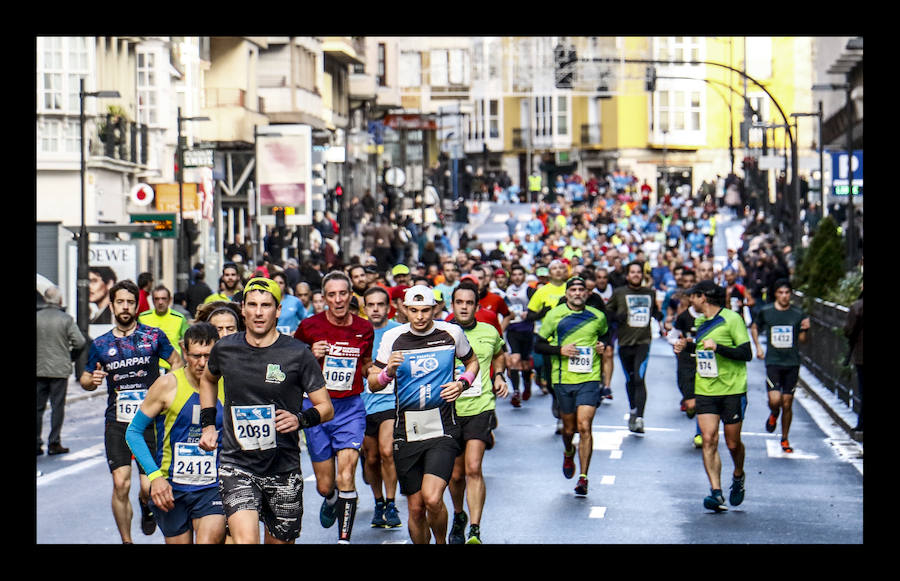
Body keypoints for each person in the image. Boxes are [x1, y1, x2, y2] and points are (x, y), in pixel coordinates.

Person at [198, 277, 334, 544]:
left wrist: (299, 419)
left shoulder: (298, 353)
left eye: (266, 305)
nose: (259, 312)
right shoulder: (225, 349)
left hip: (283, 467)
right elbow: (208, 379)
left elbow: (326, 408)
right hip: (237, 465)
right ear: (243, 309)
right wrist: (207, 424)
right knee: (245, 541)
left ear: (278, 310)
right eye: (252, 305)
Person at [366, 285, 478, 544]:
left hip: (443, 428)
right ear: (403, 309)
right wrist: (387, 373)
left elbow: (472, 362)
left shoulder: (451, 333)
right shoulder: (393, 337)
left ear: (436, 308)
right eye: (414, 310)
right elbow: (373, 383)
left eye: (426, 310)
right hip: (406, 431)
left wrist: (462, 383)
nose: (420, 316)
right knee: (416, 509)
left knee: (432, 497)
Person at [80, 279, 184, 543]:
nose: (125, 307)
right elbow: (85, 377)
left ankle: (146, 506)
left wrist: (167, 387)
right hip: (117, 422)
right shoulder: (101, 344)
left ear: (137, 305)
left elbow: (177, 363)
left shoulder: (152, 337)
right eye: (120, 302)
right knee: (120, 484)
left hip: (149, 421)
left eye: (130, 302)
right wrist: (90, 382)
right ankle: (127, 541)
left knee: (148, 488)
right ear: (112, 306)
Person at [125, 322, 226, 544]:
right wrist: (155, 477)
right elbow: (133, 432)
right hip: (171, 487)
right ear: (184, 353)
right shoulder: (167, 384)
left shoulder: (227, 383)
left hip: (213, 486)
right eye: (195, 356)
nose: (202, 363)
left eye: (208, 356)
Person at [294, 271, 374, 544]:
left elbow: (365, 363)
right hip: (316, 407)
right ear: (324, 298)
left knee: (346, 474)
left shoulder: (364, 327)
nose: (338, 300)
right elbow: (292, 359)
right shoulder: (309, 326)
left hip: (350, 408)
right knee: (326, 485)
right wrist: (310, 353)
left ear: (350, 295)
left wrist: (376, 371)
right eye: (332, 295)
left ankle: (344, 539)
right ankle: (331, 499)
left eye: (343, 294)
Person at [677, 280, 751, 512]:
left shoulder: (732, 319)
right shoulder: (701, 322)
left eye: (693, 296)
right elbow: (704, 349)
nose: (690, 301)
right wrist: (687, 346)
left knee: (732, 443)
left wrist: (718, 347)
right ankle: (716, 492)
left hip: (732, 389)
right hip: (706, 389)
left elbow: (746, 353)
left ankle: (738, 475)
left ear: (703, 297)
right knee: (708, 439)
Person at [534, 276, 609, 497]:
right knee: (569, 430)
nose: (577, 293)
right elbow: (537, 345)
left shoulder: (598, 316)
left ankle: (583, 477)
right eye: (573, 289)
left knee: (584, 426)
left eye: (581, 289)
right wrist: (560, 350)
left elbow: (605, 335)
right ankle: (568, 451)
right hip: (563, 379)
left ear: (587, 293)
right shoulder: (554, 316)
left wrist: (603, 345)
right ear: (566, 294)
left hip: (589, 378)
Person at [447, 282, 508, 544]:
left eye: (469, 303)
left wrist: (499, 375)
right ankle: (459, 514)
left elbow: (500, 353)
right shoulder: (442, 332)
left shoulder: (489, 331)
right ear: (452, 305)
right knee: (455, 474)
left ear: (476, 306)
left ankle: (474, 528)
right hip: (449, 409)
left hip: (480, 407)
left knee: (473, 468)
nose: (463, 307)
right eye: (459, 302)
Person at [750, 279, 810, 453]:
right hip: (774, 361)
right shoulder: (766, 312)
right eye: (780, 293)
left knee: (788, 402)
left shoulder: (798, 314)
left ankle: (785, 438)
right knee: (775, 400)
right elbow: (754, 327)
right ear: (775, 294)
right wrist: (758, 347)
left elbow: (803, 341)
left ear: (790, 294)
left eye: (787, 293)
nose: (784, 296)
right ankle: (774, 413)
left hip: (792, 362)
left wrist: (805, 330)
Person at [360, 286, 402, 529]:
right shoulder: (358, 332)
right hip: (363, 404)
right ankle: (378, 503)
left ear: (388, 307)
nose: (376, 309)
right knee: (372, 457)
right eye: (371, 305)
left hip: (390, 402)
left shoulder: (398, 331)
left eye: (380, 304)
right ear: (365, 308)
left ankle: (391, 502)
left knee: (387, 452)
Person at [605, 261, 664, 433]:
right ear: (627, 275)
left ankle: (640, 418)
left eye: (639, 272)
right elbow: (607, 313)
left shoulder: (649, 293)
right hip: (624, 343)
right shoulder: (619, 293)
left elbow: (655, 312)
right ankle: (632, 410)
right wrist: (617, 317)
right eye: (633, 272)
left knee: (639, 378)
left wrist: (662, 318)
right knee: (630, 379)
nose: (636, 275)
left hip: (643, 342)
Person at [37, 286, 86, 456]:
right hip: (59, 369)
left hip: (38, 369)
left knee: (38, 407)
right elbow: (80, 341)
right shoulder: (66, 319)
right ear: (59, 300)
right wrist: (71, 356)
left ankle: (36, 442)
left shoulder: (37, 317)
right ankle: (54, 442)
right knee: (57, 406)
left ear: (45, 300)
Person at [504, 264, 536, 406]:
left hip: (527, 330)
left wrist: (529, 314)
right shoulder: (507, 291)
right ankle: (516, 391)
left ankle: (527, 385)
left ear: (524, 276)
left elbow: (538, 309)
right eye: (514, 274)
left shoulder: (529, 290)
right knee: (514, 360)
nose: (517, 277)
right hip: (512, 330)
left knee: (525, 363)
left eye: (519, 274)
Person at [139, 284, 190, 372]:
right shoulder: (143, 318)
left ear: (170, 300)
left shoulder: (179, 318)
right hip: (148, 369)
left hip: (173, 369)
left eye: (163, 298)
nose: (160, 302)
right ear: (153, 300)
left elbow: (188, 344)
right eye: (157, 299)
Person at [844, 286, 863, 434]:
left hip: (861, 355)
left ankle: (861, 423)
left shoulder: (857, 307)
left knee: (862, 390)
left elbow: (848, 330)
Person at [271, 271, 306, 335]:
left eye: (281, 283)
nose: (278, 285)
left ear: (285, 286)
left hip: (290, 340)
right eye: (275, 282)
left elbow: (306, 320)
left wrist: (298, 332)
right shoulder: (265, 302)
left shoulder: (295, 301)